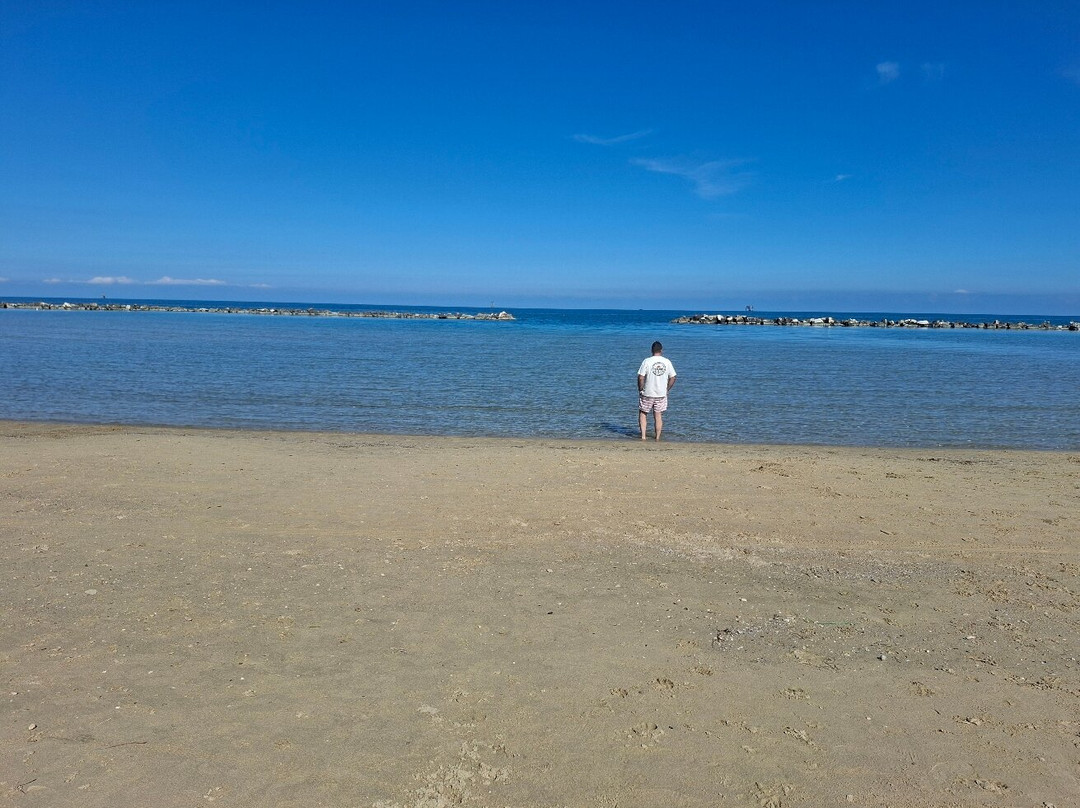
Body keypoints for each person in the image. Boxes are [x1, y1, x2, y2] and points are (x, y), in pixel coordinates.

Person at [637, 341, 676, 441]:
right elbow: (673, 377)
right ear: (661, 350)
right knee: (658, 415)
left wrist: (640, 389)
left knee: (643, 413)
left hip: (647, 392)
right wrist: (667, 389)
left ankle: (643, 437)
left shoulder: (647, 361)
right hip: (661, 393)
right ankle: (657, 438)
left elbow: (641, 377)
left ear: (651, 350)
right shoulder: (667, 362)